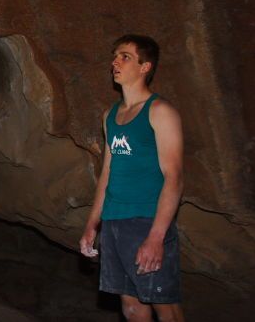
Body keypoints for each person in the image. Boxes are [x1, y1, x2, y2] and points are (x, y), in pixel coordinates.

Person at [79, 35, 184, 321]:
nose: (115, 61)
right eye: (115, 56)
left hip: (146, 220)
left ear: (145, 67)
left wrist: (156, 237)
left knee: (165, 306)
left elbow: (174, 177)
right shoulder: (110, 116)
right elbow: (107, 173)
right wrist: (92, 224)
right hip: (114, 222)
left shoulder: (161, 112)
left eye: (125, 56)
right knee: (133, 307)